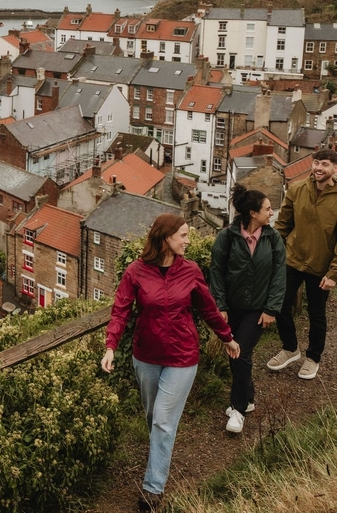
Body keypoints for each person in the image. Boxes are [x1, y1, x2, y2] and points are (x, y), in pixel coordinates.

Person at [101, 214, 239, 512]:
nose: (188, 241)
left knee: (163, 420)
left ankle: (153, 488)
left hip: (182, 356)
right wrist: (111, 346)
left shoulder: (190, 271)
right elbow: (120, 310)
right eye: (184, 236)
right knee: (155, 419)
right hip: (146, 357)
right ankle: (160, 458)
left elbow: (208, 309)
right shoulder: (136, 272)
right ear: (166, 238)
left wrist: (227, 337)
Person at [209, 185, 286, 433]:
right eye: (267, 209)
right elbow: (216, 273)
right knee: (235, 355)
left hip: (258, 309)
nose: (271, 213)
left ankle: (238, 410)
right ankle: (249, 397)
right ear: (253, 213)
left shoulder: (273, 239)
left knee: (240, 353)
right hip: (231, 308)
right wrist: (220, 305)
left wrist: (271, 309)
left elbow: (278, 275)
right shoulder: (227, 237)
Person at [268, 148, 337, 380]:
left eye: (325, 164)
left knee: (317, 314)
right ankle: (290, 348)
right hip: (292, 260)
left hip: (321, 266)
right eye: (316, 163)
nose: (319, 168)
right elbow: (283, 226)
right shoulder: (297, 189)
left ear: (334, 168)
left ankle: (313, 358)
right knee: (280, 305)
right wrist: (271, 253)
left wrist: (334, 273)